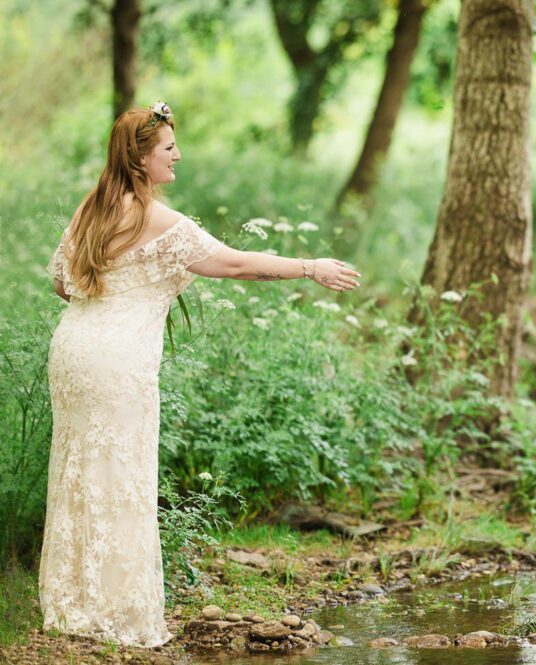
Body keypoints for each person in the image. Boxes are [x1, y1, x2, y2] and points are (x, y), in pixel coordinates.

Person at [39, 102, 361, 647]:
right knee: (121, 476)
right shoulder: (159, 220)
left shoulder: (90, 209)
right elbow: (236, 264)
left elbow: (61, 282)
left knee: (79, 469)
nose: (177, 155)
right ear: (141, 158)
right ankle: (116, 611)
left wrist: (116, 294)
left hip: (74, 349)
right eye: (168, 148)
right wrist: (311, 267)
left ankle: (73, 605)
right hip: (117, 361)